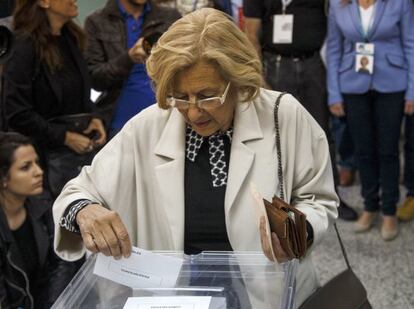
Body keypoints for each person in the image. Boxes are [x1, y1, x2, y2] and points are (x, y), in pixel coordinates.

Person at [53, 8, 338, 307]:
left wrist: (298, 231)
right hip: (178, 296)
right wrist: (85, 211)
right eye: (179, 96)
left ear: (238, 80)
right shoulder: (148, 126)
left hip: (270, 291)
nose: (192, 112)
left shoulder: (283, 116)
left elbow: (319, 199)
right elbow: (77, 193)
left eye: (206, 95)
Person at [243, 0, 358, 221]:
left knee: (321, 134)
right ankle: (278, 200)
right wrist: (258, 78)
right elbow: (251, 36)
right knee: (275, 136)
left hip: (312, 65)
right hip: (275, 66)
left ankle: (331, 198)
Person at [327, 0, 414, 240]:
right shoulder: (338, 5)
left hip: (393, 83)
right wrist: (334, 93)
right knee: (363, 151)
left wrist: (412, 91)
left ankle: (388, 210)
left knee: (388, 150)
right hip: (353, 84)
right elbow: (334, 49)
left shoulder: (399, 3)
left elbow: (410, 43)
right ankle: (370, 205)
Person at [3, 0, 106, 197]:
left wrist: (94, 117)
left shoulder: (72, 38)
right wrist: (65, 137)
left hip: (76, 157)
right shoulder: (24, 46)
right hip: (43, 161)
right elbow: (16, 112)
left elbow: (79, 93)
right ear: (44, 2)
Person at [0, 132, 82, 309]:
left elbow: (61, 262)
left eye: (37, 163)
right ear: (3, 178)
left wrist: (54, 305)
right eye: (25, 167)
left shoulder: (44, 206)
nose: (39, 172)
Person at [84, 0, 180, 138]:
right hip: (119, 122)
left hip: (167, 116)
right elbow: (95, 78)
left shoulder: (170, 16)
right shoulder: (96, 22)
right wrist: (128, 58)